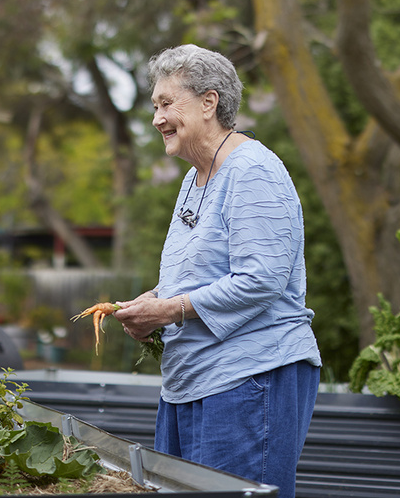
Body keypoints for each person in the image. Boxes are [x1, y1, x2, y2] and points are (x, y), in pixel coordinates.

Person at [114, 44, 322, 498]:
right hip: (189, 381)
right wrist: (151, 303)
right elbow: (192, 277)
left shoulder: (253, 171)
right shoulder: (193, 178)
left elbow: (261, 279)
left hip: (249, 379)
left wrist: (168, 310)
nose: (156, 119)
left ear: (209, 103)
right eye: (155, 106)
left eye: (167, 103)